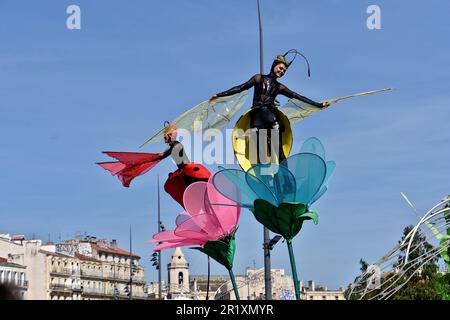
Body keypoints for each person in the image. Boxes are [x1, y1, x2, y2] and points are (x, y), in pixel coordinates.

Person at [209, 51, 330, 164]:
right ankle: (266, 179)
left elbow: (297, 96)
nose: (282, 72)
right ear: (274, 65)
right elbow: (241, 87)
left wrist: (319, 104)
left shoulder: (279, 87)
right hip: (256, 118)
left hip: (270, 118)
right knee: (262, 155)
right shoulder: (258, 78)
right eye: (281, 68)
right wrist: (219, 95)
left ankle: (285, 177)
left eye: (284, 71)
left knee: (278, 151)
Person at [98, 122, 210, 208]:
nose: (165, 139)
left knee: (196, 189)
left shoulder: (176, 145)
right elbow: (161, 155)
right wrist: (140, 161)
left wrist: (141, 161)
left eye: (166, 136)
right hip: (183, 171)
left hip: (188, 169)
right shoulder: (172, 146)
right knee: (188, 191)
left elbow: (161, 155)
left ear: (171, 136)